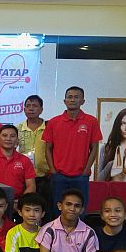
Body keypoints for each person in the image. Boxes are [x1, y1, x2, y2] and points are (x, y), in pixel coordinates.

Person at [43, 86, 102, 218]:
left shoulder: (91, 121)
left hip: (81, 175)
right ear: (64, 101)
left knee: (80, 211)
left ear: (83, 101)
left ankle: (79, 237)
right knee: (57, 210)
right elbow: (48, 148)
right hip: (59, 175)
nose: (72, 100)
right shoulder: (54, 122)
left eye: (76, 97)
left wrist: (87, 169)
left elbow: (94, 148)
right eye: (69, 97)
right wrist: (52, 169)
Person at [17, 95, 51, 217]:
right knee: (26, 209)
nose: (31, 109)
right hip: (24, 177)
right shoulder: (18, 128)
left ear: (41, 109)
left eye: (35, 106)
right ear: (24, 109)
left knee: (45, 209)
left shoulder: (49, 127)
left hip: (45, 176)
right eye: (28, 106)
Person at [0, 125, 36, 200]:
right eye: (4, 135)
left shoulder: (25, 160)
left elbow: (31, 186)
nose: (8, 139)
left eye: (12, 136)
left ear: (17, 140)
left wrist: (20, 202)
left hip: (18, 203)